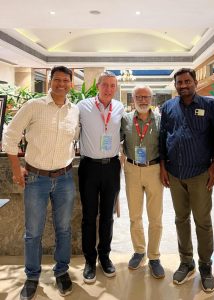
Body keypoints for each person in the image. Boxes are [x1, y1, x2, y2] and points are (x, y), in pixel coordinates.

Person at [2, 66, 80, 300]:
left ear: (71, 84)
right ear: (49, 82)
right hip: (36, 179)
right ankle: (32, 276)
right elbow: (11, 135)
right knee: (33, 232)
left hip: (65, 177)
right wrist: (17, 169)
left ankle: (62, 271)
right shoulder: (33, 106)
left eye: (66, 81)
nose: (61, 84)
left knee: (64, 229)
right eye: (57, 80)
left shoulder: (74, 110)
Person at [159, 68, 214, 292]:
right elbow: (163, 137)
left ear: (195, 82)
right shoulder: (167, 107)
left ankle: (206, 265)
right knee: (180, 219)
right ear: (175, 84)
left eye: (187, 81)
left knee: (203, 221)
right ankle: (186, 262)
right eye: (179, 82)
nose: (183, 85)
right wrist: (163, 167)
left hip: (200, 173)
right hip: (175, 173)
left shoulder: (210, 105)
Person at [77, 71, 124, 283]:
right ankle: (89, 259)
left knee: (107, 215)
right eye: (105, 85)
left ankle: (104, 256)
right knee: (89, 216)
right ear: (98, 86)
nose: (108, 89)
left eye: (112, 85)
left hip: (112, 167)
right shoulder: (83, 106)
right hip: (89, 167)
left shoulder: (120, 108)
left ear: (116, 88)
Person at [121, 85, 164, 279]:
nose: (143, 100)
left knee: (155, 216)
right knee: (134, 215)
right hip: (131, 168)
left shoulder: (161, 120)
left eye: (146, 96)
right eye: (139, 96)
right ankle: (139, 251)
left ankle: (154, 256)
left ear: (152, 99)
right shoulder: (126, 119)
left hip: (154, 169)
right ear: (133, 99)